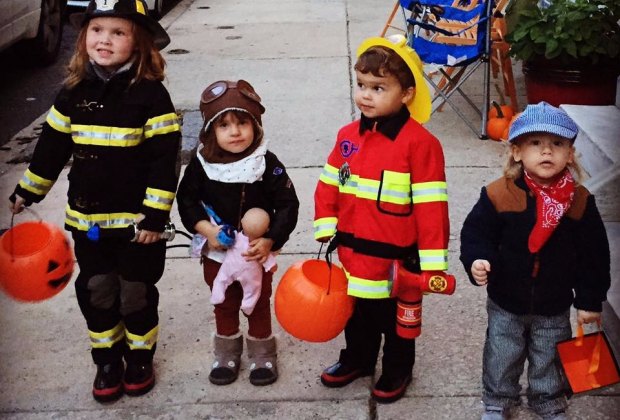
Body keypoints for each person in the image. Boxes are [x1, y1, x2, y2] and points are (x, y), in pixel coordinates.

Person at [8, 0, 180, 403]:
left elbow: (163, 161)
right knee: (97, 290)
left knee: (135, 291)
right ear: (83, 37)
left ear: (139, 43)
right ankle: (107, 358)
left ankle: (140, 356)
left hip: (140, 227)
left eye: (118, 32)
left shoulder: (152, 97)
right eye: (97, 30)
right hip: (88, 221)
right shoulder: (71, 94)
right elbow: (50, 148)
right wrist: (29, 190)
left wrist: (155, 216)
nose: (105, 39)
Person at [313, 34, 449, 404]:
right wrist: (326, 225)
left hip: (396, 260)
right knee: (356, 313)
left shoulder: (420, 145)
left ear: (406, 93)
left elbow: (431, 206)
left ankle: (397, 369)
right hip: (353, 254)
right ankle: (356, 358)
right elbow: (328, 185)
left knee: (397, 322)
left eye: (378, 87)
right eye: (361, 85)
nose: (366, 95)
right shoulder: (347, 138)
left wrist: (432, 262)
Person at [459, 102, 611, 420]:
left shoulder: (579, 202)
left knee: (548, 353)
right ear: (517, 152)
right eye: (535, 143)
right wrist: (477, 259)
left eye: (557, 144)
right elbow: (476, 233)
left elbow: (594, 256)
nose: (546, 152)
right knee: (503, 352)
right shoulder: (499, 194)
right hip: (506, 298)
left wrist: (589, 300)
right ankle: (499, 398)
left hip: (553, 300)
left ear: (570, 154)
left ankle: (547, 399)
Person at [176, 79, 299, 387]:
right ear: (210, 132)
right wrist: (206, 229)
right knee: (224, 301)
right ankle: (226, 352)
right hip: (217, 249)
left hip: (254, 251)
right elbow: (187, 199)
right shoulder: (203, 165)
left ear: (255, 126)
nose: (235, 131)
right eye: (224, 125)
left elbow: (287, 203)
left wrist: (272, 239)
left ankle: (262, 353)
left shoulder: (266, 163)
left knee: (257, 302)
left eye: (242, 123)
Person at [210, 207, 277, 315]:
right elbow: (270, 262)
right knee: (253, 289)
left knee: (221, 279)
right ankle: (248, 305)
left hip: (230, 267)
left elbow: (224, 237)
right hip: (250, 274)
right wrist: (273, 267)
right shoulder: (260, 247)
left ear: (242, 221)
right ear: (267, 230)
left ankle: (217, 295)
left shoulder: (236, 237)